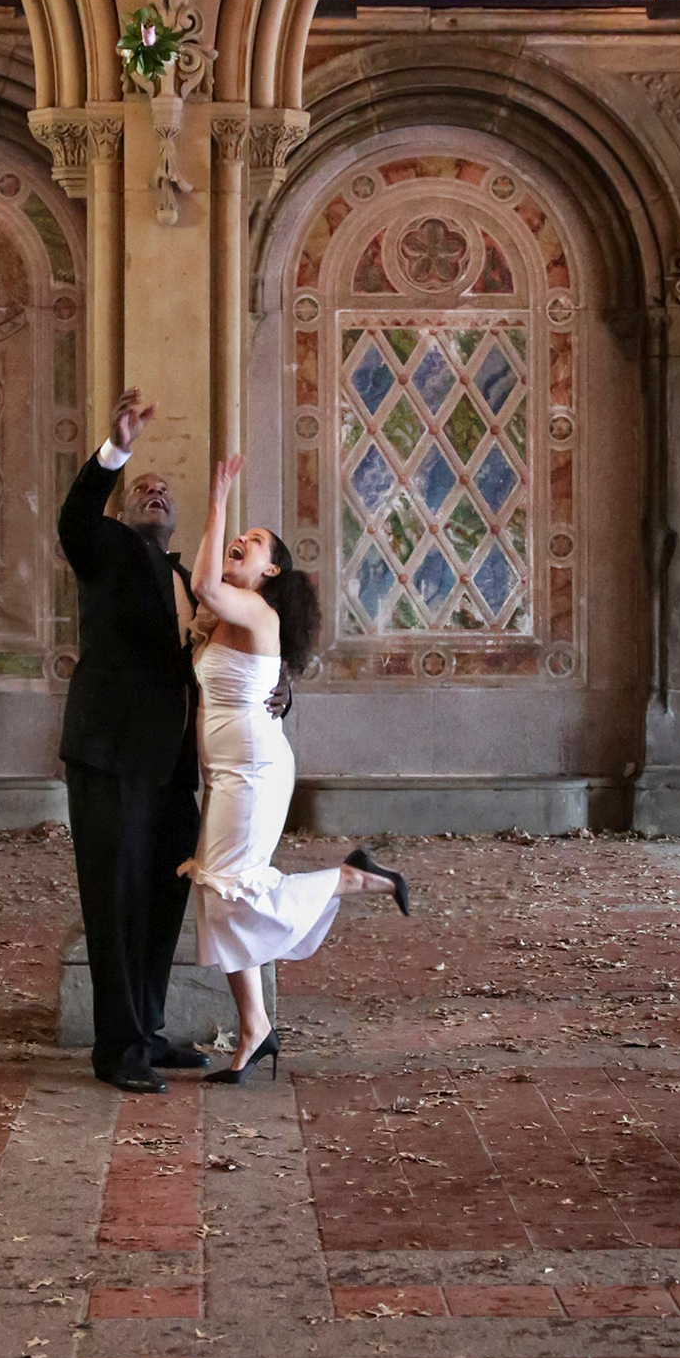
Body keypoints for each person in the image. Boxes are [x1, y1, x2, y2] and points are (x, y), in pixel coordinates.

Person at [181, 453, 408, 1086]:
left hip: (254, 768)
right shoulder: (226, 616)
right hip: (228, 769)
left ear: (270, 569)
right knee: (220, 892)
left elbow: (203, 587)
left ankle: (351, 879)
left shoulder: (258, 613)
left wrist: (219, 493)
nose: (238, 542)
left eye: (250, 543)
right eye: (238, 537)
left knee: (231, 884)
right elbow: (201, 603)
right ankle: (254, 1028)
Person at [58, 387, 210, 1094]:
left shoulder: (188, 580)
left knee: (160, 898)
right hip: (113, 752)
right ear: (123, 509)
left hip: (174, 768)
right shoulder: (107, 550)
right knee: (116, 903)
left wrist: (281, 689)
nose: (154, 491)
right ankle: (117, 1049)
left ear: (173, 519)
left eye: (163, 489)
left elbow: (233, 658)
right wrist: (114, 451)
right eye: (141, 487)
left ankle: (146, 1029)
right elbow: (75, 517)